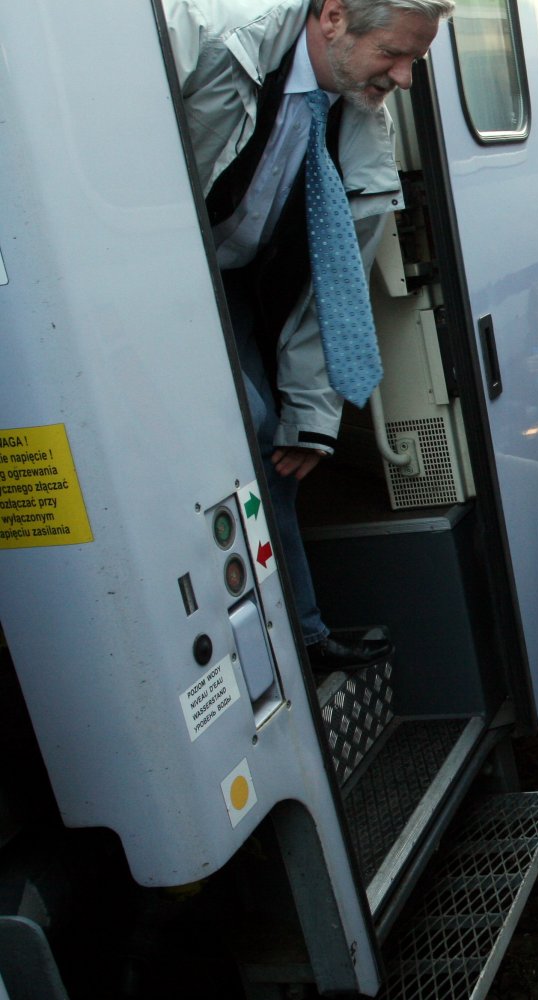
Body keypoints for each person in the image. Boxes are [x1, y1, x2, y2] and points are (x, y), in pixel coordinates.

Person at [165, 0, 453, 671]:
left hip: (237, 284)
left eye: (415, 60)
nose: (405, 78)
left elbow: (334, 285)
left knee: (282, 448)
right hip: (159, 277)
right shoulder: (210, 39)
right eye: (394, 54)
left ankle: (301, 635)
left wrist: (313, 415)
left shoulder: (360, 122)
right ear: (332, 17)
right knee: (246, 427)